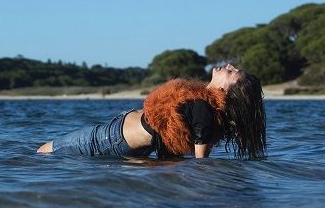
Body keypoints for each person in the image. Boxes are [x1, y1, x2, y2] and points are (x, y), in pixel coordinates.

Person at [37, 64, 266, 159]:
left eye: (232, 72)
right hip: (131, 146)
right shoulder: (202, 104)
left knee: (45, 151)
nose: (229, 66)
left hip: (109, 138)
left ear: (226, 89)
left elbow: (200, 163)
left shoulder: (202, 108)